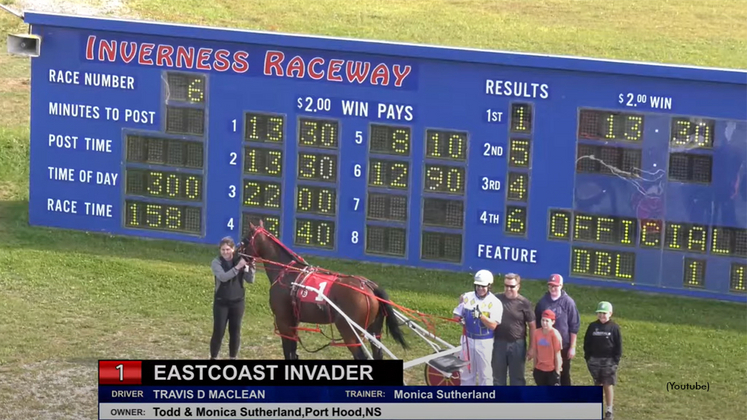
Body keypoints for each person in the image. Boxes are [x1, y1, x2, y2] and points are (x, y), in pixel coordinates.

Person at [453, 269, 503, 386]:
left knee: (485, 374)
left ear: (489, 286)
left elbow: (493, 325)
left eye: (483, 286)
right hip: (468, 339)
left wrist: (481, 316)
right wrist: (459, 318)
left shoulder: (495, 303)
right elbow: (456, 315)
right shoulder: (467, 297)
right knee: (466, 372)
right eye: (478, 286)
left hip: (484, 342)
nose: (480, 289)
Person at [209, 236, 256, 359]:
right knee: (218, 332)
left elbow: (250, 280)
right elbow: (223, 277)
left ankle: (232, 357)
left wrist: (250, 268)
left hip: (237, 302)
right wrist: (237, 267)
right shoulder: (216, 262)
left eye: (228, 249)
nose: (225, 252)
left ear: (233, 249)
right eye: (223, 250)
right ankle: (213, 357)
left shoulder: (239, 260)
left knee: (235, 332)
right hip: (221, 302)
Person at [534, 273, 580, 386]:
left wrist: (572, 347)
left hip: (563, 345)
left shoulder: (568, 302)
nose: (553, 288)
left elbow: (574, 326)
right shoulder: (543, 302)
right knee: (547, 374)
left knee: (563, 374)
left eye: (555, 286)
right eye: (550, 286)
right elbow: (537, 324)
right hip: (546, 346)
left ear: (561, 286)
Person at [492, 272, 536, 386]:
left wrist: (532, 348)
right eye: (506, 285)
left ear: (518, 286)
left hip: (517, 344)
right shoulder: (496, 299)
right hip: (498, 343)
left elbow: (532, 326)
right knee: (498, 377)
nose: (508, 289)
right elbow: (481, 297)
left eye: (512, 286)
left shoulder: (524, 303)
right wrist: (464, 298)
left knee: (517, 378)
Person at [584, 301, 622, 420]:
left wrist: (615, 360)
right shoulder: (592, 326)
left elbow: (618, 345)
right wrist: (588, 357)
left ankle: (609, 409)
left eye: (604, 313)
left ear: (610, 314)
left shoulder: (614, 327)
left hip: (609, 361)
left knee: (608, 384)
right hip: (594, 360)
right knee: (597, 384)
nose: (602, 316)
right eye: (600, 313)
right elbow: (587, 342)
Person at [529, 309, 562, 386]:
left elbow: (557, 354)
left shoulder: (555, 334)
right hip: (540, 368)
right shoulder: (536, 333)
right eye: (543, 320)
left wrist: (557, 372)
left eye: (547, 321)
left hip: (551, 369)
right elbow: (535, 352)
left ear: (553, 322)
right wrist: (535, 368)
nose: (544, 323)